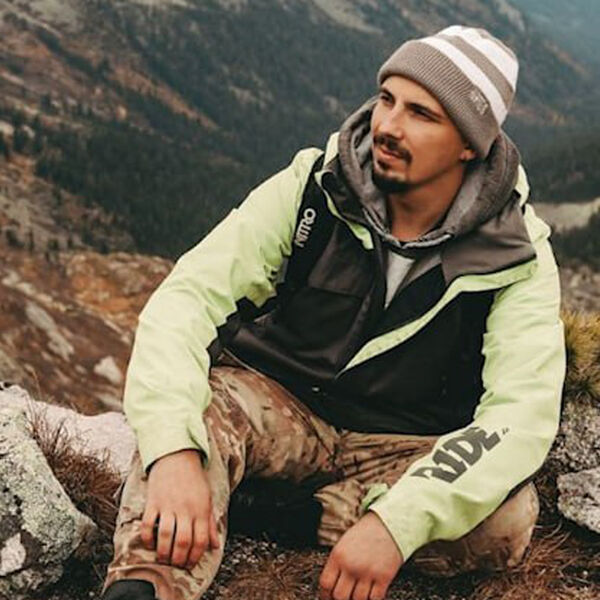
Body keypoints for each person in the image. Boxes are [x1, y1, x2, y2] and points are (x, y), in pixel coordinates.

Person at [102, 25, 565, 600]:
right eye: (387, 99)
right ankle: (147, 582)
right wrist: (174, 451)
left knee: (505, 520)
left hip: (401, 444)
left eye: (421, 114)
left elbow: (520, 414)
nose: (388, 125)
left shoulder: (515, 254)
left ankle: (287, 516)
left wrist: (397, 523)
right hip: (278, 407)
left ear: (471, 144)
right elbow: (187, 298)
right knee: (202, 413)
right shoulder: (316, 186)